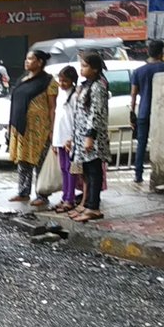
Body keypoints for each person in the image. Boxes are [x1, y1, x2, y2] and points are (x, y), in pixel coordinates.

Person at [7, 49, 59, 206]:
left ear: (40, 62)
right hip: (22, 128)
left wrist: (52, 129)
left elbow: (52, 107)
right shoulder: (23, 79)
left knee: (39, 161)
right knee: (23, 160)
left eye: (30, 59)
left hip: (39, 129)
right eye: (26, 58)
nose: (26, 62)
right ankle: (23, 192)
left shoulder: (49, 82)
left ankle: (42, 195)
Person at [68, 53, 111, 223]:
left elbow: (96, 113)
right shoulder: (87, 85)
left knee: (94, 171)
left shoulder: (98, 86)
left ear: (95, 68)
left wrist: (90, 136)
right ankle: (88, 205)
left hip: (92, 136)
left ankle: (94, 207)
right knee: (87, 171)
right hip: (81, 135)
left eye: (85, 66)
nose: (81, 69)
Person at [129, 39, 164, 183]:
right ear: (162, 52)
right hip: (163, 113)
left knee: (141, 144)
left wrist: (132, 113)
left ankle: (138, 175)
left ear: (148, 52)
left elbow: (133, 94)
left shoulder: (138, 71)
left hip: (144, 112)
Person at [51, 66, 79, 213]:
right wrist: (54, 141)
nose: (62, 84)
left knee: (70, 168)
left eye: (65, 81)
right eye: (60, 80)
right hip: (59, 136)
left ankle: (70, 198)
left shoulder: (75, 96)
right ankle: (65, 196)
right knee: (63, 168)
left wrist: (72, 138)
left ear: (72, 81)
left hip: (69, 137)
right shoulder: (61, 94)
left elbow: (75, 119)